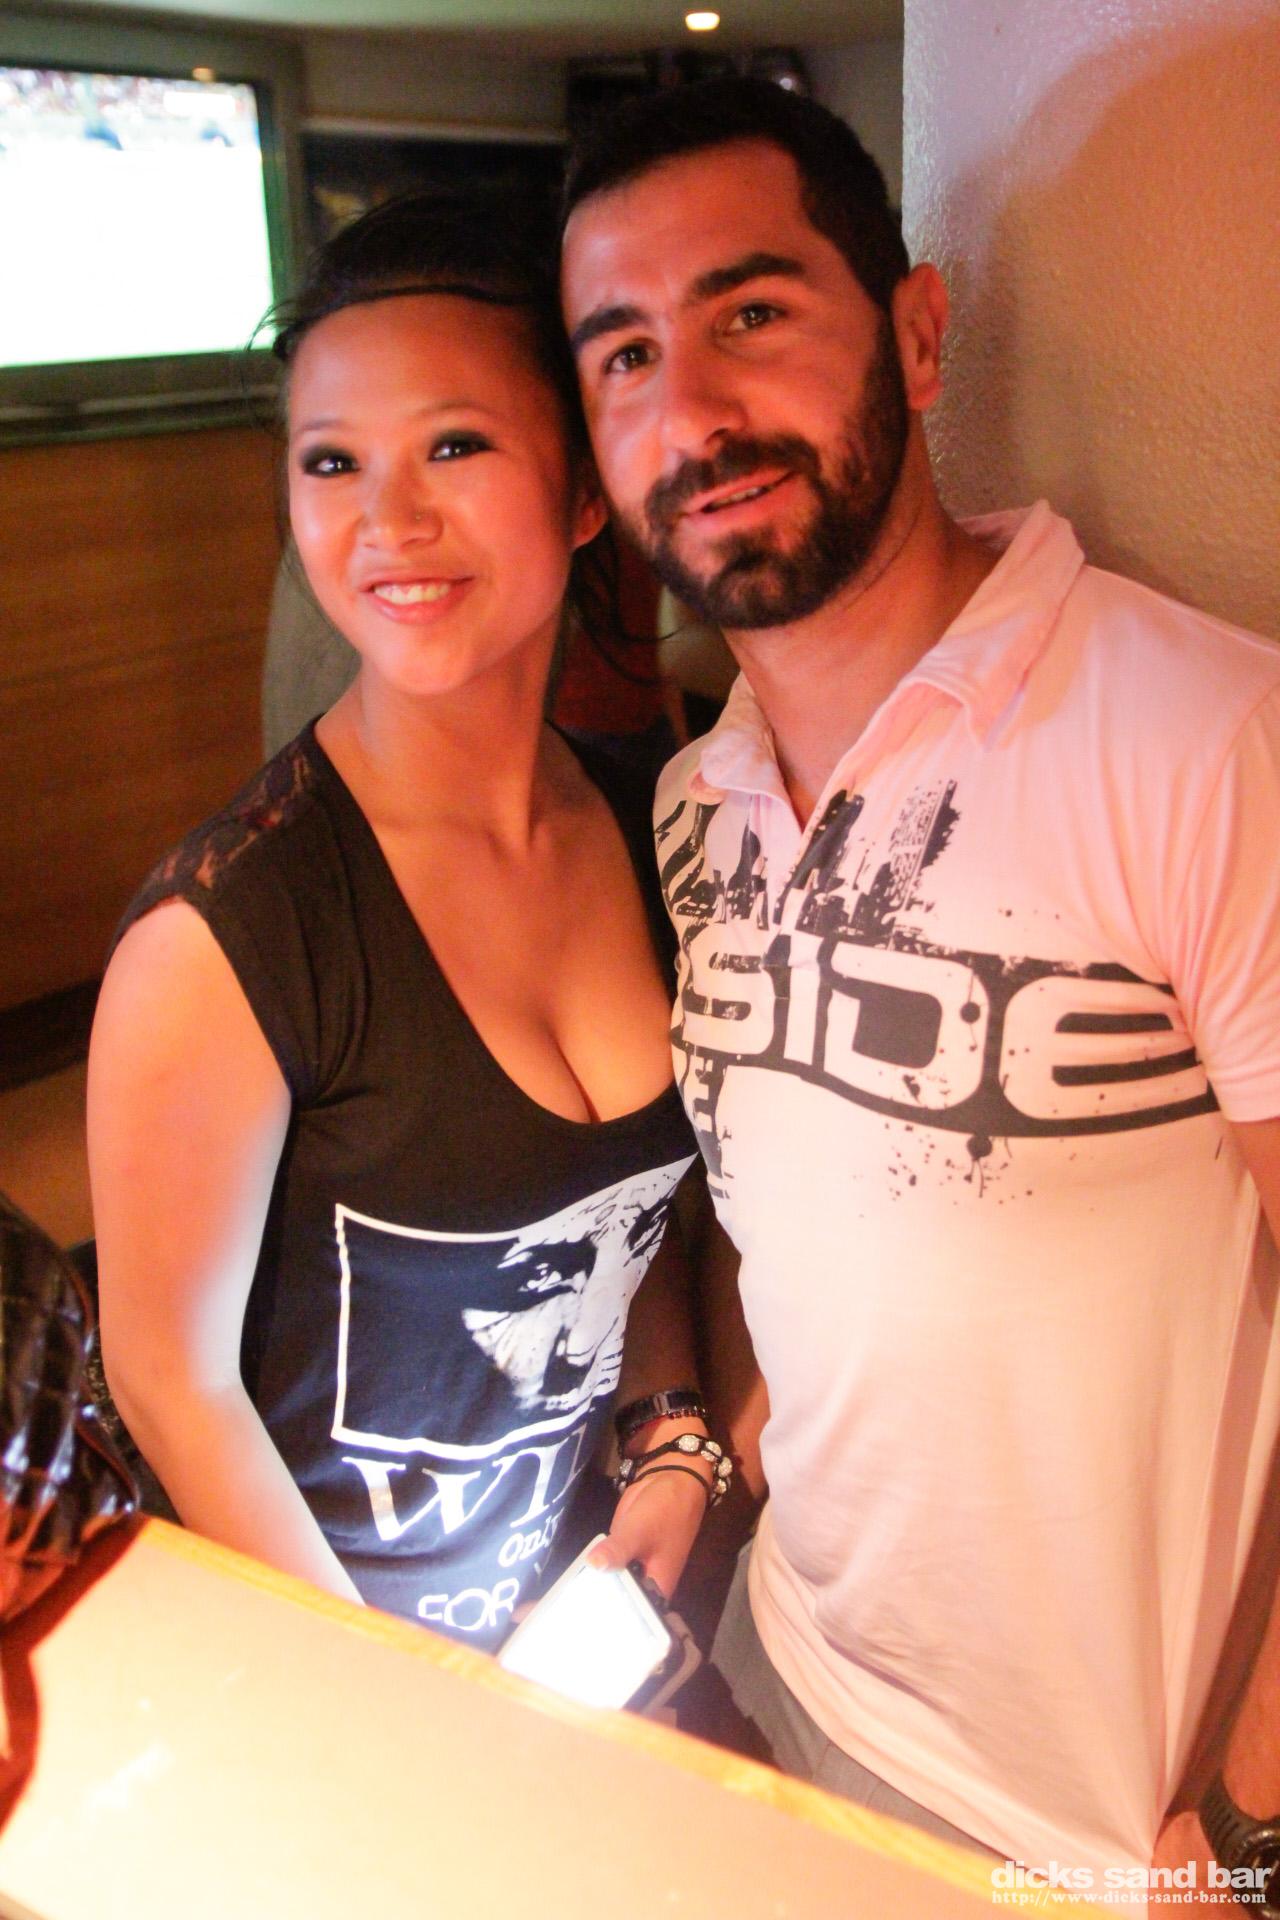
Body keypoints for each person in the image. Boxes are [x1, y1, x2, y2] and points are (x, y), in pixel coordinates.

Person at [560, 77, 1280, 1895]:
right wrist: (703, 1458)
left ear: (919, 332)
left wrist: (1253, 1823)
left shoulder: (1209, 738)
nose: (692, 412)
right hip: (780, 1681)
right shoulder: (694, 801)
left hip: (1102, 1827)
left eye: (750, 312)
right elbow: (801, 1237)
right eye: (626, 356)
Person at [88, 189, 726, 1652]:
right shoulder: (230, 931)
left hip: (578, 1627)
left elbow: (624, 1212)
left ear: (584, 490)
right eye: (333, 462)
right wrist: (402, 1715)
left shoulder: (661, 826)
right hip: (327, 1680)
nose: (388, 521)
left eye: (454, 445)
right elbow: (172, 1385)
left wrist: (671, 1436)